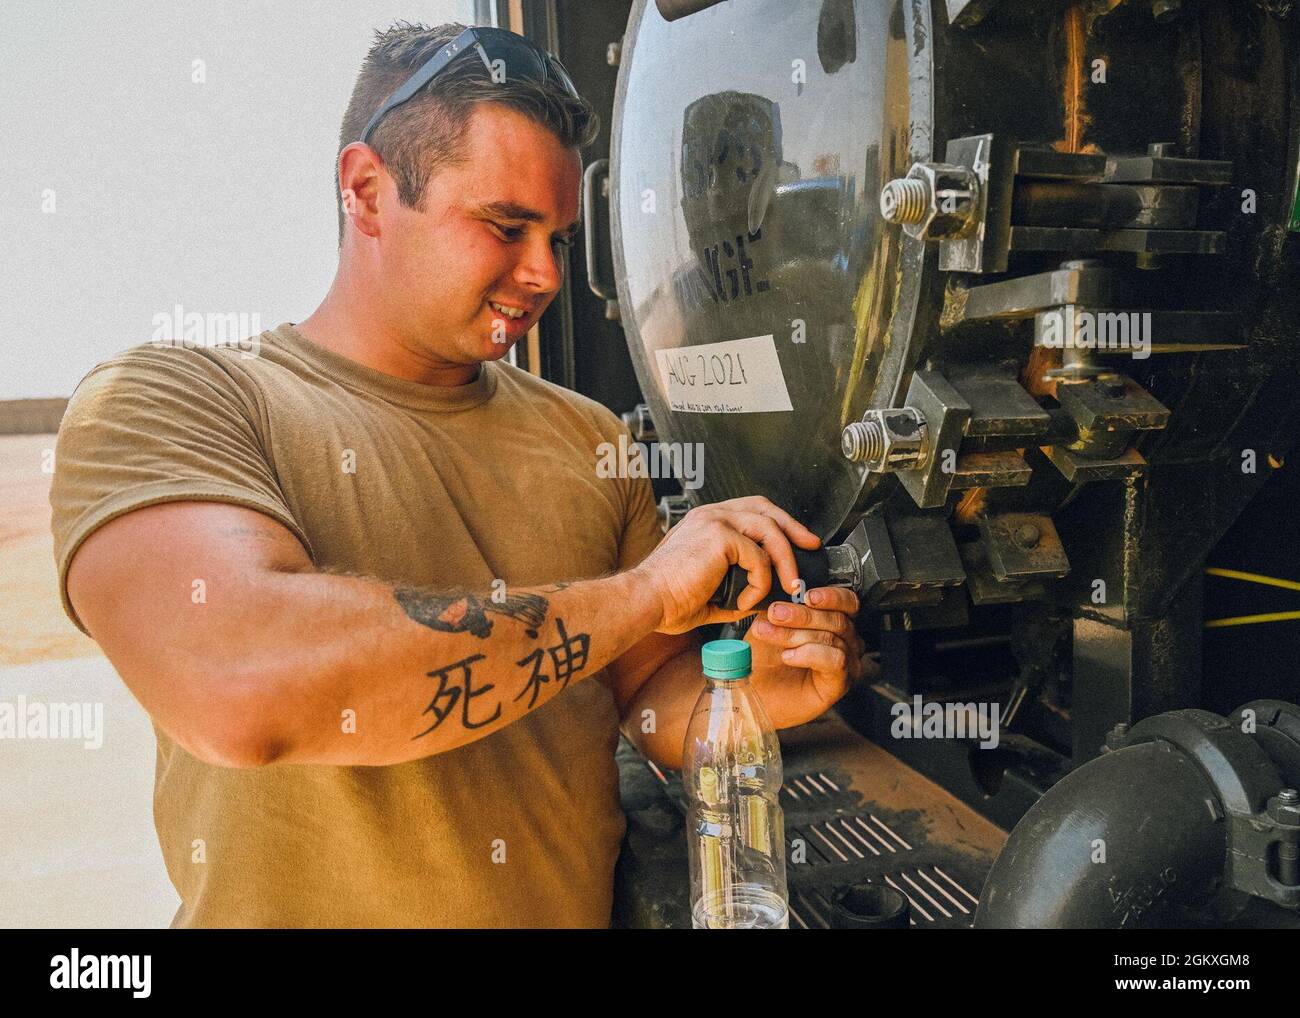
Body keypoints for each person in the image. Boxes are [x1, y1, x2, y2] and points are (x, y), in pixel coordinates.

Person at [48, 20, 867, 928]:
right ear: (365, 190)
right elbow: (244, 685)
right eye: (504, 226)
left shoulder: (586, 435)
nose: (544, 273)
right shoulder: (176, 400)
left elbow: (640, 697)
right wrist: (642, 592)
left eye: (557, 236)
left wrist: (741, 694)